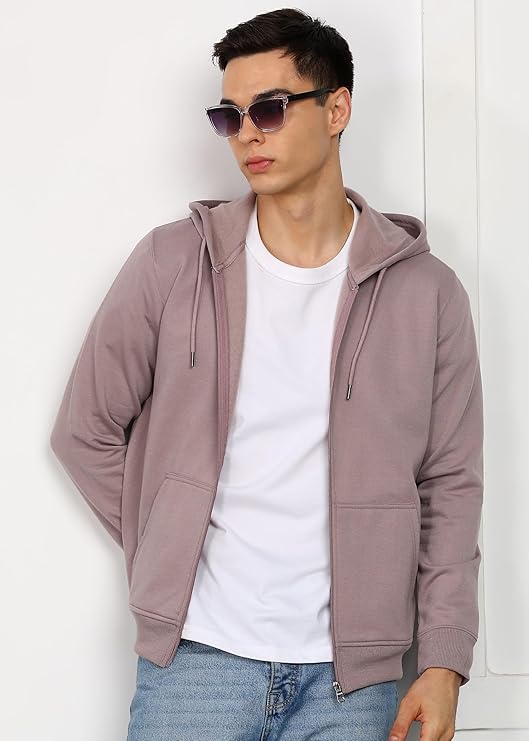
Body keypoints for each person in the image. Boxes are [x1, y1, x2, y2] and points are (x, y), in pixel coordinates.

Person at [49, 8, 484, 741]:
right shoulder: (171, 263)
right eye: (230, 116)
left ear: (337, 109)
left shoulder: (427, 293)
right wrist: (169, 539)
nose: (247, 133)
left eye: (271, 108)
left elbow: (450, 483)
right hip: (197, 661)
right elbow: (84, 430)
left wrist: (443, 660)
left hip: (353, 677)